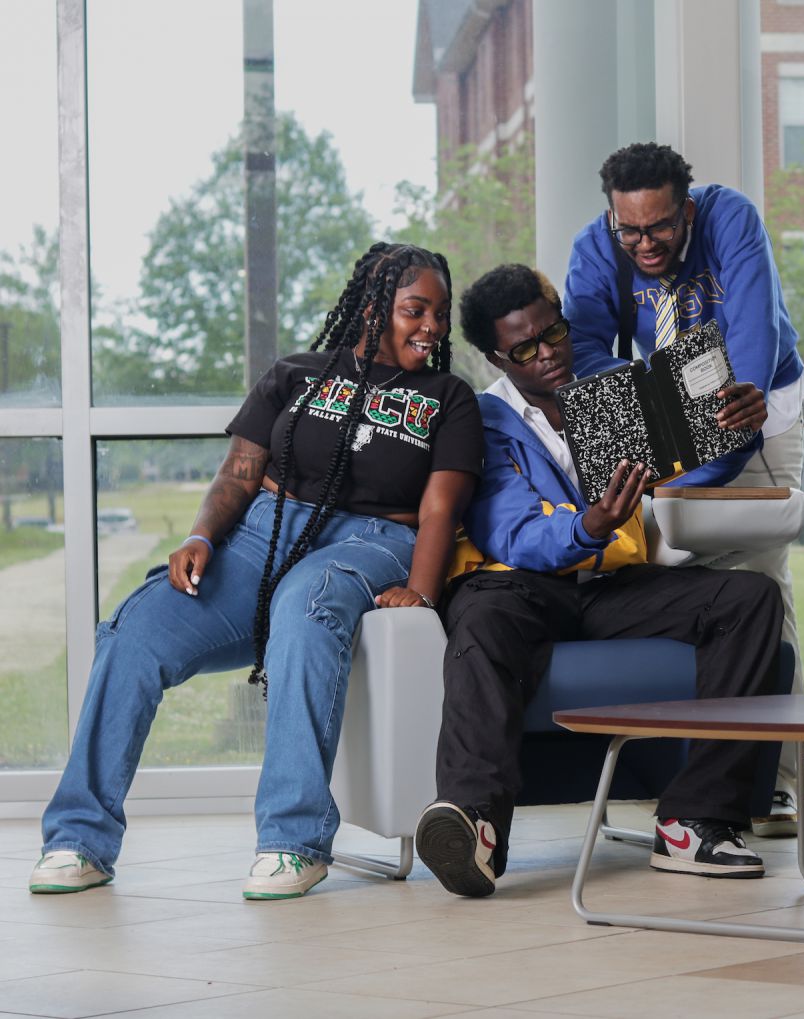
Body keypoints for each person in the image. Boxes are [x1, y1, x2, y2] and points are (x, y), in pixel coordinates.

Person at [31, 243, 483, 900]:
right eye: (417, 310)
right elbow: (240, 474)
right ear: (373, 307)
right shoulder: (295, 374)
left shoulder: (448, 397)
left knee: (309, 600)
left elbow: (440, 507)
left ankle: (293, 840)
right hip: (261, 535)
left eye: (440, 315)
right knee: (135, 628)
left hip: (374, 537)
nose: (433, 327)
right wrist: (199, 536)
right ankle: (80, 836)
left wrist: (421, 589)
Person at [414, 263, 784, 897]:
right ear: (495, 356)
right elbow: (513, 533)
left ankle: (695, 821)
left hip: (613, 587)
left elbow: (698, 460)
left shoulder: (621, 386)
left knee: (750, 599)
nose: (549, 354)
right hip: (523, 584)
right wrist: (589, 524)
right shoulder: (484, 419)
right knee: (478, 615)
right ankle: (475, 823)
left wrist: (743, 420)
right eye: (524, 349)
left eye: (553, 332)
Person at [563, 142, 804, 837]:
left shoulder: (731, 219)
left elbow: (752, 337)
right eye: (630, 230)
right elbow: (581, 350)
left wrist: (723, 428)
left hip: (759, 399)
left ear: (687, 210)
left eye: (661, 228)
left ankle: (778, 778)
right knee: (692, 592)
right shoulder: (596, 244)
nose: (645, 243)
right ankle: (692, 765)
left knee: (760, 576)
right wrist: (654, 409)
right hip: (667, 404)